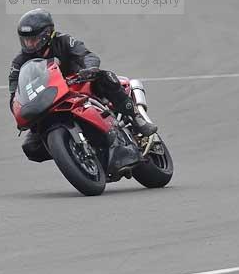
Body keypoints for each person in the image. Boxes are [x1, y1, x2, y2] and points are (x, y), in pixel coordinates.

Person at [9, 9, 157, 161]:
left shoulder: (64, 41)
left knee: (106, 77)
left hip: (78, 84)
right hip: (49, 98)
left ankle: (136, 118)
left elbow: (87, 55)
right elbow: (15, 91)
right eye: (26, 40)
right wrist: (20, 110)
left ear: (48, 34)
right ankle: (71, 152)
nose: (30, 43)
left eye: (34, 39)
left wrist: (89, 69)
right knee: (31, 148)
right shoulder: (19, 62)